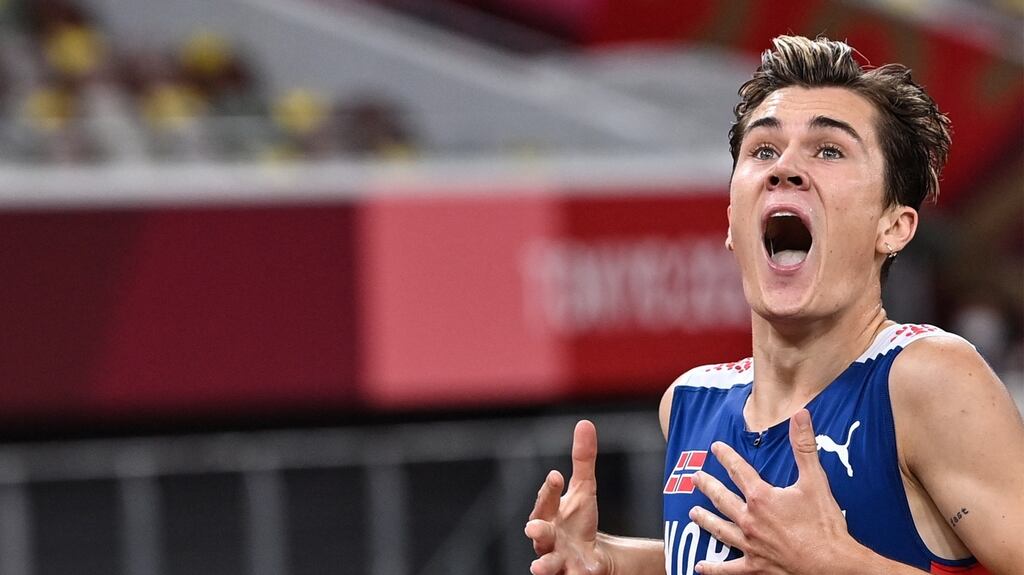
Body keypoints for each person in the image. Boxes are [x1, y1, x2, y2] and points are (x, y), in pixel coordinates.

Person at [525, 35, 1024, 575]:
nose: (785, 168)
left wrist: (835, 564)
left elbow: (804, 558)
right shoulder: (691, 401)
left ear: (894, 227)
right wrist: (614, 562)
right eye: (764, 150)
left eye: (829, 150)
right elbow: (749, 561)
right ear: (732, 224)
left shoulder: (928, 380)